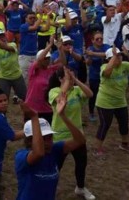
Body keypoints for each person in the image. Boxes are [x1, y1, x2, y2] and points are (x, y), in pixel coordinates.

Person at [14, 93, 86, 200]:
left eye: (50, 137)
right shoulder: (21, 157)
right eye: (43, 138)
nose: (48, 142)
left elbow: (80, 140)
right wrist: (34, 117)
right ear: (30, 140)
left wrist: (63, 116)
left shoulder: (55, 150)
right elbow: (38, 153)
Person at [48, 67, 95, 200]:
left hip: (77, 136)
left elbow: (90, 94)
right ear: (60, 79)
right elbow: (60, 100)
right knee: (56, 167)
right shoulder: (54, 91)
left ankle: (80, 188)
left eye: (72, 76)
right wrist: (67, 83)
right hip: (60, 137)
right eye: (68, 77)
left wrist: (76, 81)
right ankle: (49, 189)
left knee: (81, 163)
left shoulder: (76, 91)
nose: (71, 79)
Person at [94, 46, 129, 156]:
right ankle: (98, 148)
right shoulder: (104, 67)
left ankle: (124, 144)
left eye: (120, 56)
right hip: (105, 102)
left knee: (124, 124)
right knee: (105, 125)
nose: (119, 58)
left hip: (120, 101)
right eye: (115, 57)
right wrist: (114, 57)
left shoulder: (125, 65)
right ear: (108, 59)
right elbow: (107, 73)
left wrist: (128, 55)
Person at [0, 29, 27, 101]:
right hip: (4, 77)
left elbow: (4, 47)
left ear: (5, 37)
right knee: (4, 99)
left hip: (16, 76)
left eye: (2, 36)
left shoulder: (12, 44)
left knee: (24, 97)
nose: (2, 38)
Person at [84, 31, 111, 121]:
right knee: (93, 95)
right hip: (94, 76)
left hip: (106, 75)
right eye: (97, 39)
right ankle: (91, 112)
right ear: (92, 40)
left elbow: (107, 54)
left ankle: (107, 110)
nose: (100, 40)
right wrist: (90, 56)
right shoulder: (90, 48)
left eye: (101, 38)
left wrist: (93, 54)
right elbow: (88, 63)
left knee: (107, 93)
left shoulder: (106, 47)